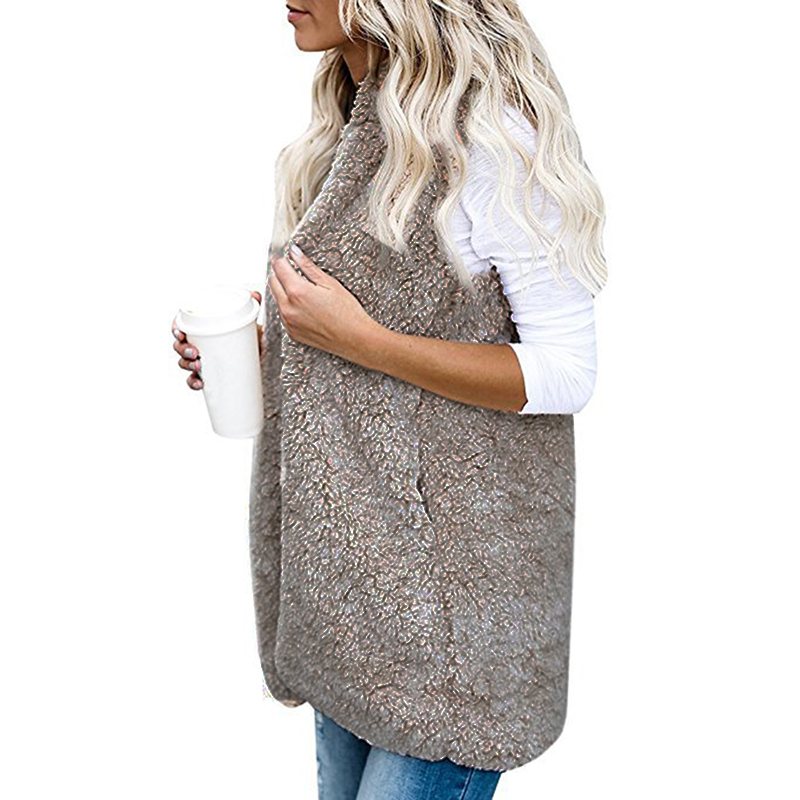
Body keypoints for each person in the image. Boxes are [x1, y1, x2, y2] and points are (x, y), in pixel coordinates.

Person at [173, 2, 606, 798]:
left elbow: (565, 370)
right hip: (359, 604)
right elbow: (382, 342)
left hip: (453, 628)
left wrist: (360, 341)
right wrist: (273, 353)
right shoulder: (350, 127)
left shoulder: (489, 135)